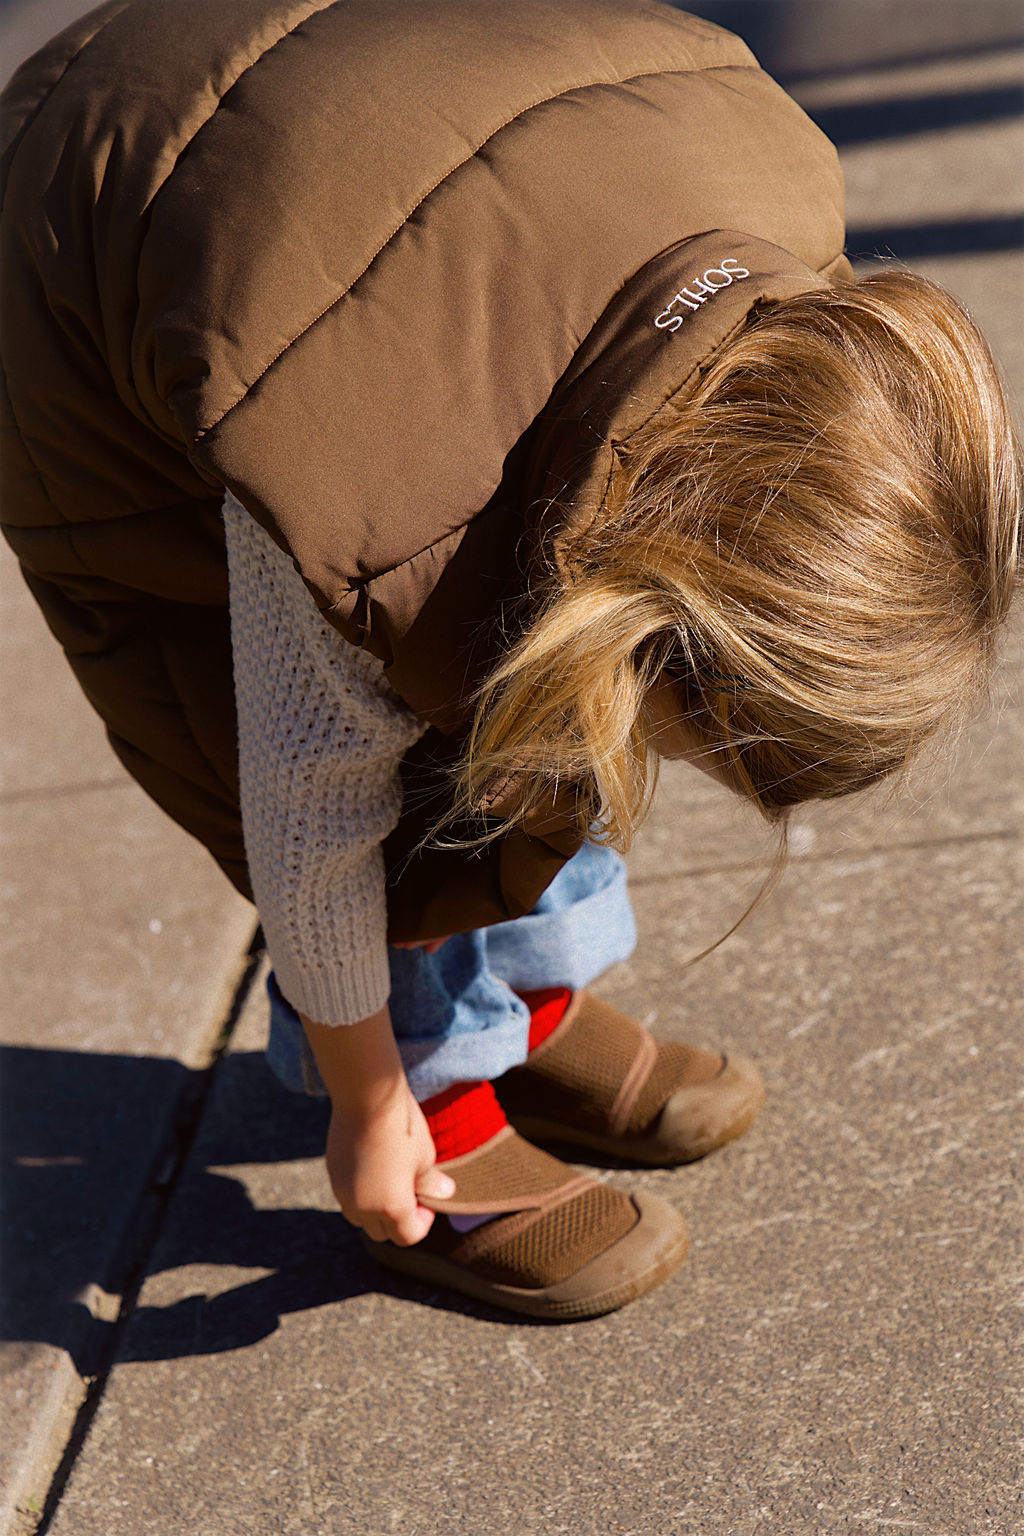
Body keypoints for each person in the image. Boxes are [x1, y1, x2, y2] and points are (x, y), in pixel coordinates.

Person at [2, 0, 1019, 1320]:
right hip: (82, 250)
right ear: (653, 637)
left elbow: (613, 635)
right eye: (702, 739)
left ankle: (522, 1011)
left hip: (362, 151)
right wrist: (365, 1105)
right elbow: (307, 825)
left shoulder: (776, 298)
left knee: (550, 679)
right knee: (427, 736)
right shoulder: (365, 490)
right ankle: (440, 1086)